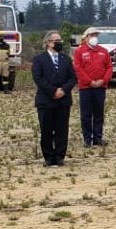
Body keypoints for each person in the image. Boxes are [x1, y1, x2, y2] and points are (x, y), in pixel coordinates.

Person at [32, 31, 77, 166]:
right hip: (46, 100)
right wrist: (53, 91)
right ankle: (48, 157)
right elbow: (38, 78)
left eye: (60, 40)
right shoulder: (39, 59)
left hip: (63, 100)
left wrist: (63, 90)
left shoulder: (66, 59)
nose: (59, 43)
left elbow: (73, 78)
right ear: (48, 43)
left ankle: (59, 156)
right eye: (56, 40)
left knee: (61, 130)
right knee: (46, 129)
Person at [73, 27, 113, 148]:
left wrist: (103, 80)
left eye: (96, 35)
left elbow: (109, 67)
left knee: (99, 113)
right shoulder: (79, 51)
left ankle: (97, 138)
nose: (94, 37)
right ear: (86, 37)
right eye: (92, 35)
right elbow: (78, 69)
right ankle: (87, 139)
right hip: (85, 88)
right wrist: (90, 82)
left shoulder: (103, 51)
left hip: (101, 87)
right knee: (86, 114)